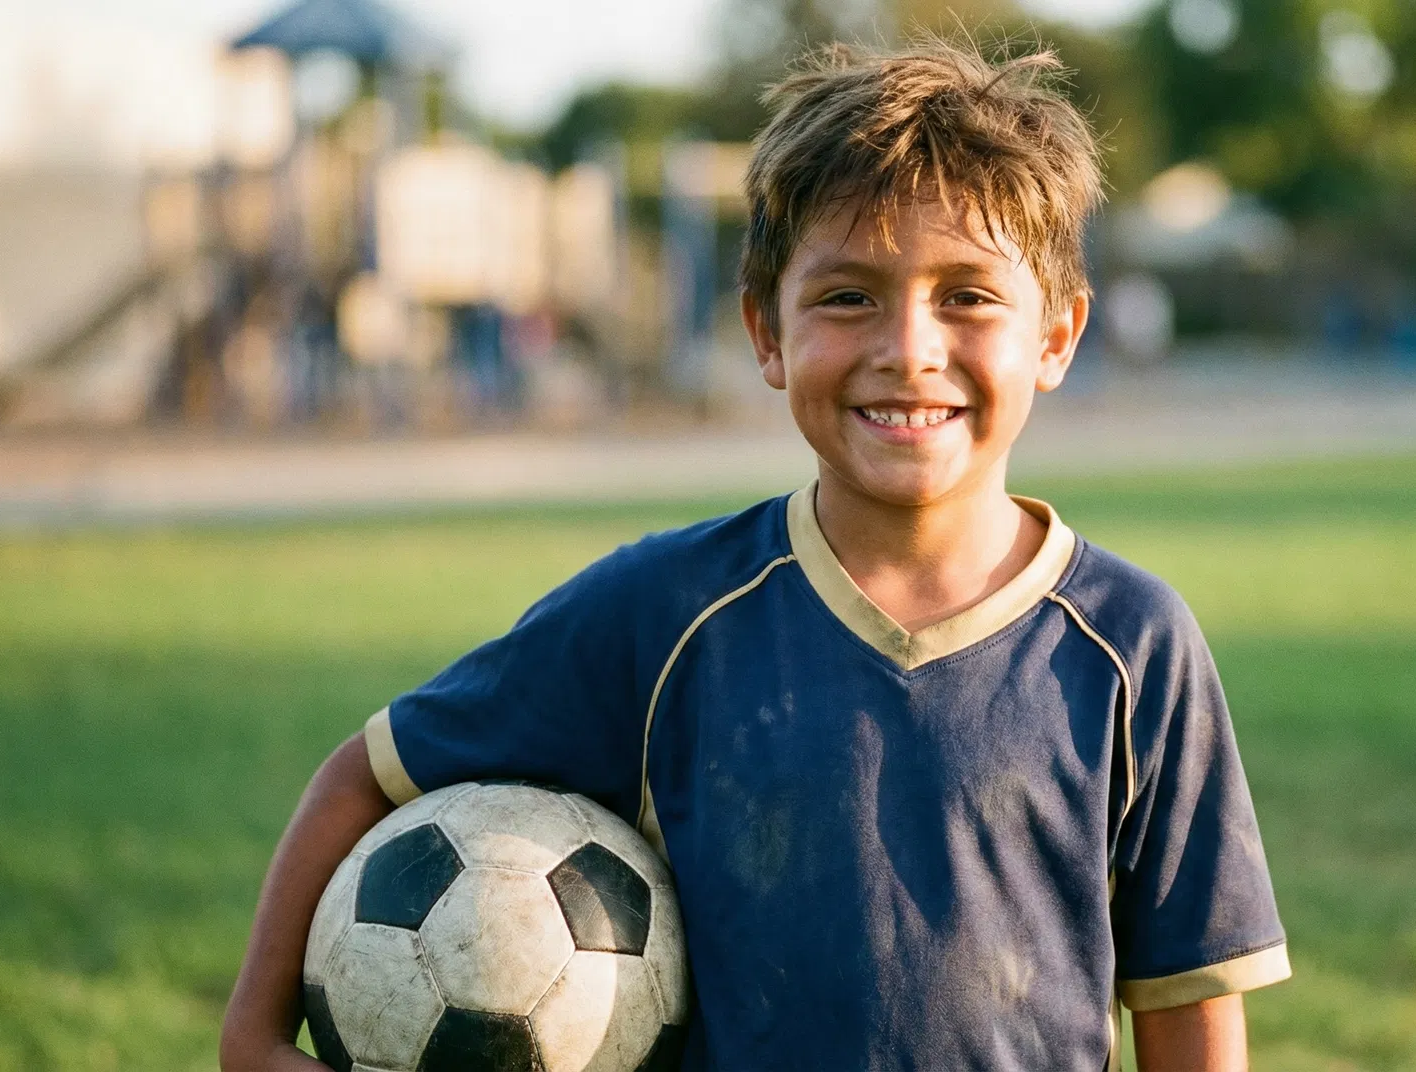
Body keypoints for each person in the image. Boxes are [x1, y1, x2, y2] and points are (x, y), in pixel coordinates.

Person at [221, 39, 1289, 1072]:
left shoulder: (1134, 645)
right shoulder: (664, 612)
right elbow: (369, 774)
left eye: (967, 294)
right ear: (766, 333)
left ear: (1056, 335)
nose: (907, 346)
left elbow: (1190, 990)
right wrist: (253, 1039)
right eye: (846, 296)